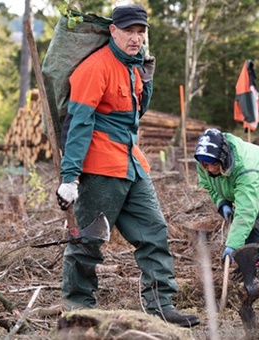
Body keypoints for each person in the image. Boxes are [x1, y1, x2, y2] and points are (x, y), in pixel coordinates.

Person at [54, 4, 200, 328]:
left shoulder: (136, 67)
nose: (135, 38)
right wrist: (70, 176)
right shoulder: (95, 68)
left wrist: (146, 80)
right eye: (129, 31)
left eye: (140, 32)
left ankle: (161, 306)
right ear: (113, 31)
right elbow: (78, 123)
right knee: (88, 241)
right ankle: (78, 311)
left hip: (132, 163)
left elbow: (135, 114)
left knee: (155, 232)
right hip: (101, 166)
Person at [193, 128, 259, 281]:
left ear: (223, 158)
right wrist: (222, 202)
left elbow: (246, 212)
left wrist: (232, 245)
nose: (210, 169)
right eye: (205, 165)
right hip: (247, 182)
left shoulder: (246, 169)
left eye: (214, 165)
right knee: (242, 222)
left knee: (256, 215)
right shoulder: (204, 162)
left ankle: (255, 265)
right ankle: (245, 264)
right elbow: (209, 185)